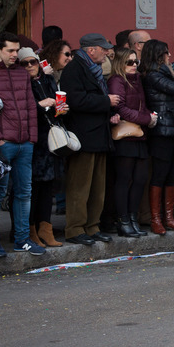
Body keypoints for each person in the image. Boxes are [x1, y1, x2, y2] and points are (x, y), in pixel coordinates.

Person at [0, 31, 44, 256]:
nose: (16, 54)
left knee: (24, 192)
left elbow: (31, 106)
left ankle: (22, 239)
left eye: (16, 50)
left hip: (24, 143)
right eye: (11, 50)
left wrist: (32, 138)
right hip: (1, 143)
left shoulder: (22, 74)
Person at [59, 33, 119, 246]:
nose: (106, 52)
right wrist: (105, 101)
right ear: (91, 49)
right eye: (103, 49)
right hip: (83, 135)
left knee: (97, 186)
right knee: (80, 185)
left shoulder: (92, 69)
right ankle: (75, 229)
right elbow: (75, 100)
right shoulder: (74, 69)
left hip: (98, 134)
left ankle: (92, 227)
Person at [141, 39, 174, 235]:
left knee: (172, 174)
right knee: (160, 175)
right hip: (161, 131)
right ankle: (157, 219)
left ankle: (169, 217)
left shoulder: (163, 72)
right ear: (158, 55)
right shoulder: (153, 75)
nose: (169, 56)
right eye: (166, 52)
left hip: (173, 128)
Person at [108, 48, 156, 238]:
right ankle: (123, 220)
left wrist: (148, 117)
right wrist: (146, 119)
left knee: (140, 179)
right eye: (129, 62)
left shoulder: (137, 80)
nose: (134, 65)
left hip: (140, 135)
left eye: (136, 62)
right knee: (124, 179)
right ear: (120, 63)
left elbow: (140, 105)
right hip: (125, 136)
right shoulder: (116, 80)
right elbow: (120, 107)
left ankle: (133, 218)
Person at [21, 47, 66, 248]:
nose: (30, 66)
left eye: (33, 61)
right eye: (25, 63)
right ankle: (30, 231)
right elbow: (23, 111)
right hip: (33, 138)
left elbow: (57, 103)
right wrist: (42, 105)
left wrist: (61, 108)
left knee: (48, 187)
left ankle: (45, 230)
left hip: (50, 138)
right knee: (33, 188)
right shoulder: (21, 83)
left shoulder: (47, 79)